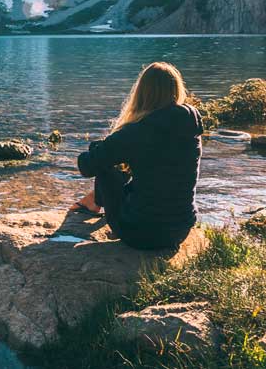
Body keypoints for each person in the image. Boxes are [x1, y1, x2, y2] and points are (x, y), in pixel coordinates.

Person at [69, 62, 203, 250]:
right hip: (180, 229)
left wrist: (101, 147)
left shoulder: (138, 131)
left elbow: (86, 166)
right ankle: (94, 201)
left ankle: (94, 203)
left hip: (140, 233)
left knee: (102, 158)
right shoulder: (190, 125)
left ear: (142, 92)